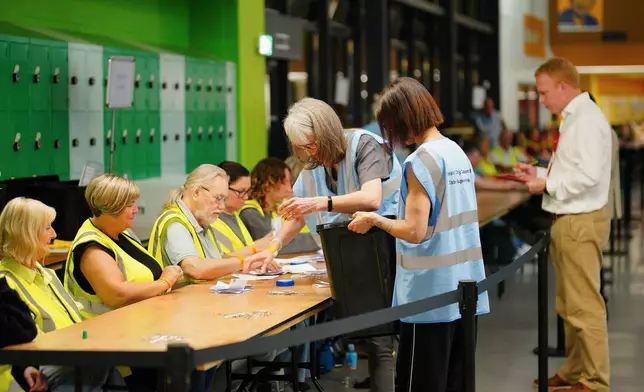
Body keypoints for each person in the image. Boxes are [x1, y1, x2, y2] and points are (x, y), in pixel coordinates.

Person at [246, 97, 402, 392]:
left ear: (327, 133)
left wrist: (322, 202)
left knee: (382, 341)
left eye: (310, 144)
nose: (308, 152)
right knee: (373, 338)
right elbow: (298, 216)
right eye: (301, 147)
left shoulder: (366, 145)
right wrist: (273, 246)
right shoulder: (313, 165)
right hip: (354, 256)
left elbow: (372, 198)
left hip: (390, 252)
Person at [348, 77, 490, 392]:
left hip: (428, 296)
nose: (392, 136)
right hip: (465, 290)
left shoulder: (419, 162)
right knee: (456, 382)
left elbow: (414, 231)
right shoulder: (455, 153)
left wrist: (375, 219)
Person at [516, 57, 611, 392]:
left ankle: (595, 381)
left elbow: (588, 176)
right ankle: (575, 370)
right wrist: (541, 174)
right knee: (569, 305)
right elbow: (574, 170)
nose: (540, 100)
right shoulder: (575, 119)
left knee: (584, 306)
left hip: (578, 221)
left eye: (544, 93)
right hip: (571, 218)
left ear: (563, 86)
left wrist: (547, 185)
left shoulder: (585, 121)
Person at [63, 174, 184, 391]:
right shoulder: (92, 247)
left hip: (141, 331)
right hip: (113, 342)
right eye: (130, 205)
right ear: (111, 207)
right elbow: (116, 293)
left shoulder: (122, 233)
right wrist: (165, 282)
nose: (136, 210)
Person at [0, 197, 122, 392]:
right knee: (100, 361)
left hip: (71, 355)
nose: (54, 234)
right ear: (28, 234)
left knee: (105, 360)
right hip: (38, 368)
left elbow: (75, 311)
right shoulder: (5, 283)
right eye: (47, 228)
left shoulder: (45, 273)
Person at [148, 164, 278, 281]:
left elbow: (218, 261)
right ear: (196, 192)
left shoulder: (201, 221)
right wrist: (244, 261)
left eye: (224, 199)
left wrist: (253, 259)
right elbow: (194, 268)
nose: (222, 206)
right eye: (217, 198)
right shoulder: (175, 224)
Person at [239, 158, 319, 254]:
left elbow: (285, 237)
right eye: (284, 182)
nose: (289, 189)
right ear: (268, 183)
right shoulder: (249, 212)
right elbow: (275, 245)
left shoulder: (273, 209)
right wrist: (319, 239)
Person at [211, 161, 274, 255]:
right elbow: (221, 260)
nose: (246, 197)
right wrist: (255, 248)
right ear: (222, 188)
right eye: (241, 192)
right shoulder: (211, 220)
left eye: (248, 191)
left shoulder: (234, 214)